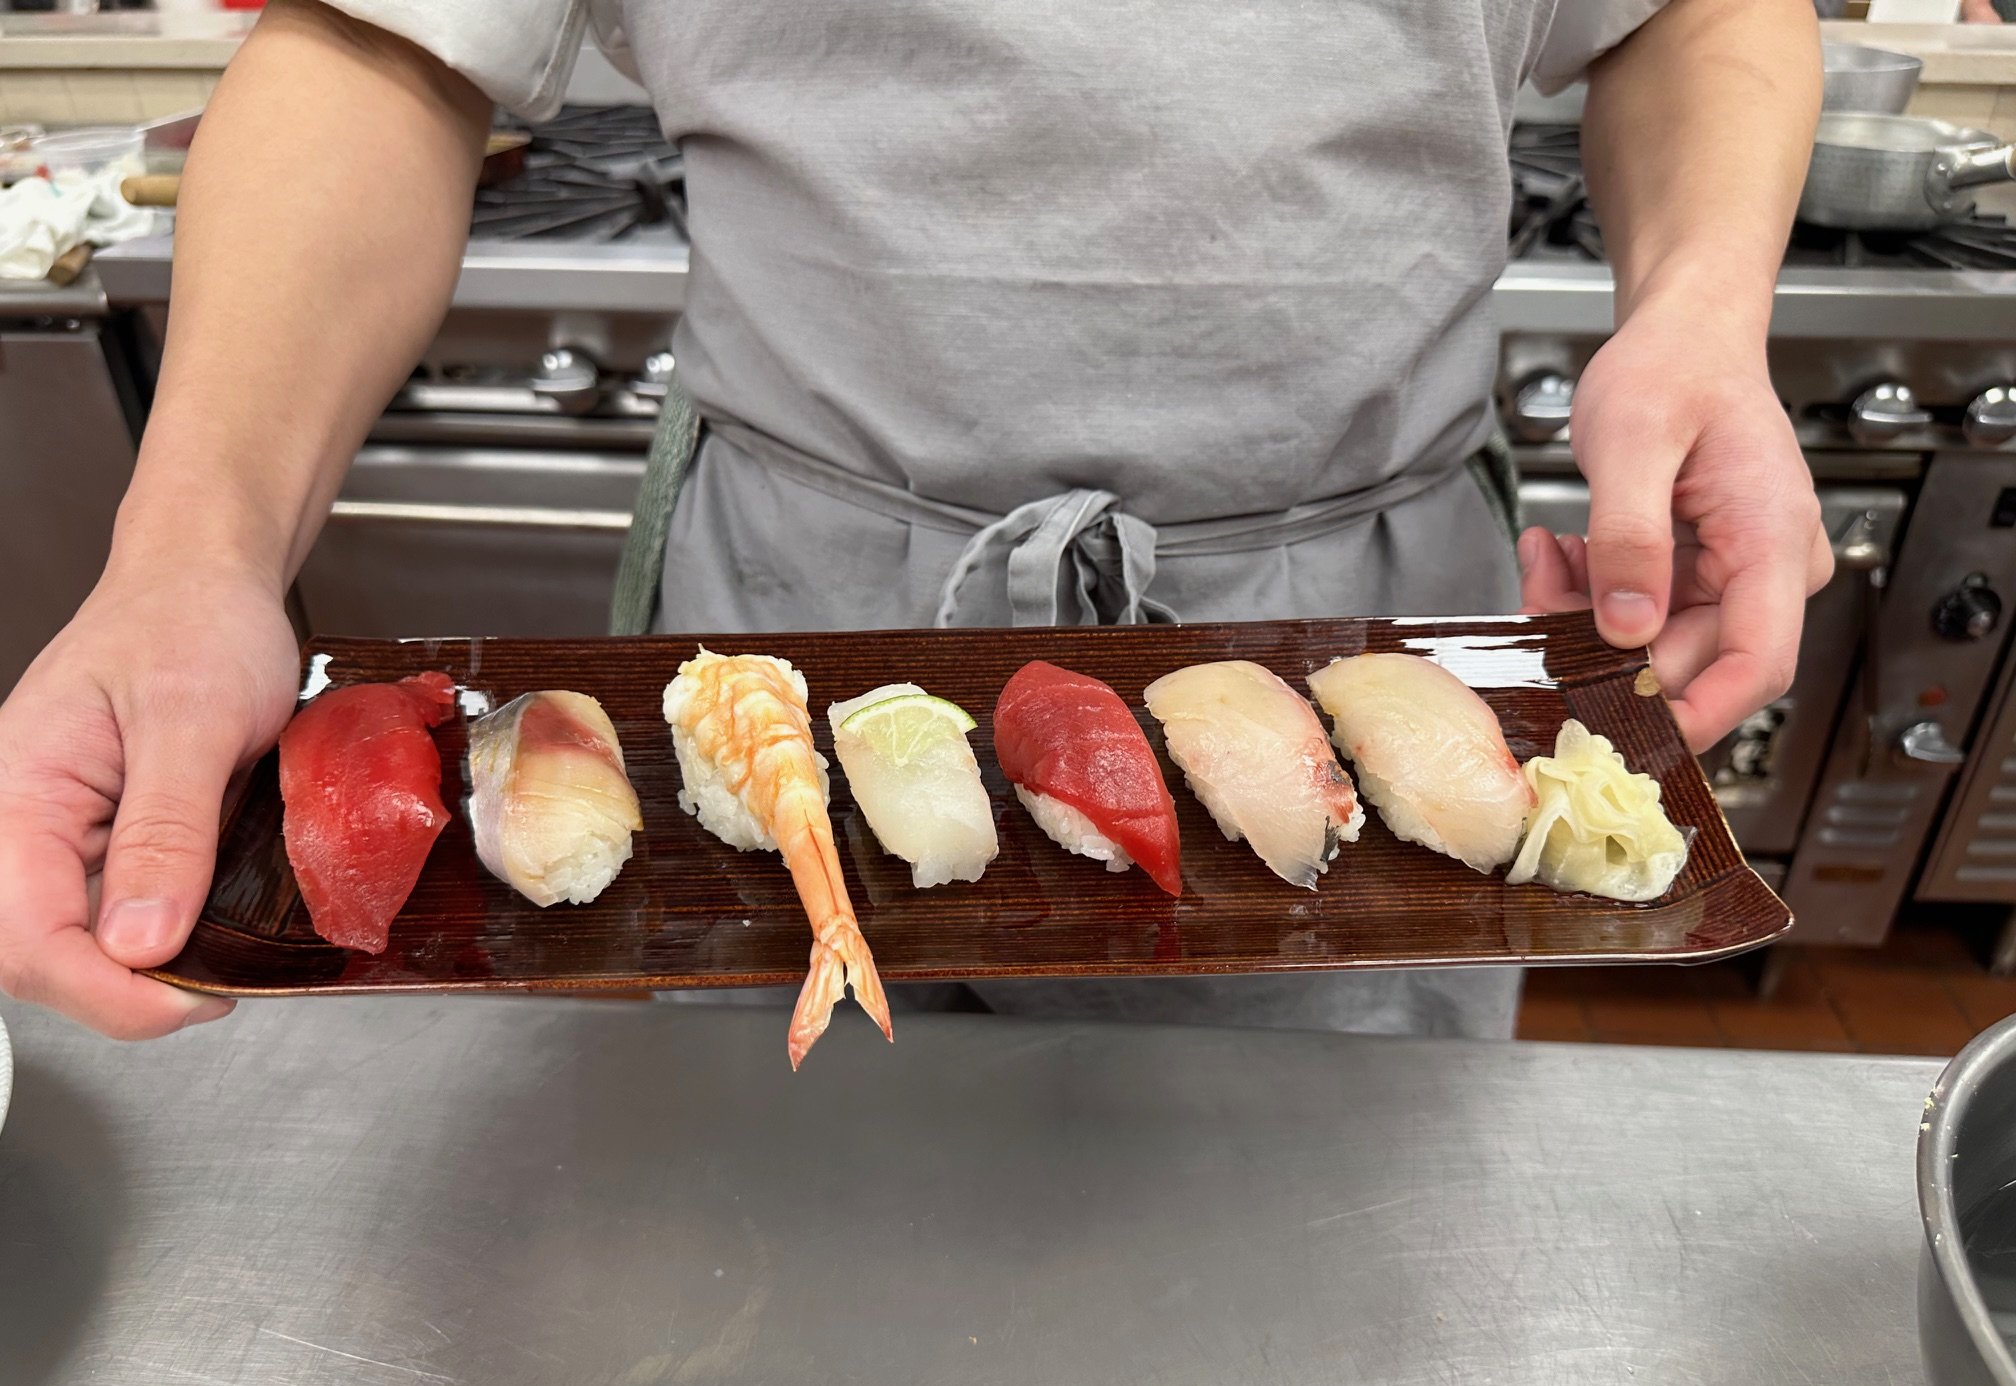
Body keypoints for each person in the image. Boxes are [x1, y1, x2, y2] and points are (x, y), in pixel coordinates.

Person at [0, 0, 1830, 1042]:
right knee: (769, 1230)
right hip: (780, 604)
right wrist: (194, 552)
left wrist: (1700, 307)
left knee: (1315, 1250)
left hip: (1356, 607)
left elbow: (1689, 12)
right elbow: (384, 46)